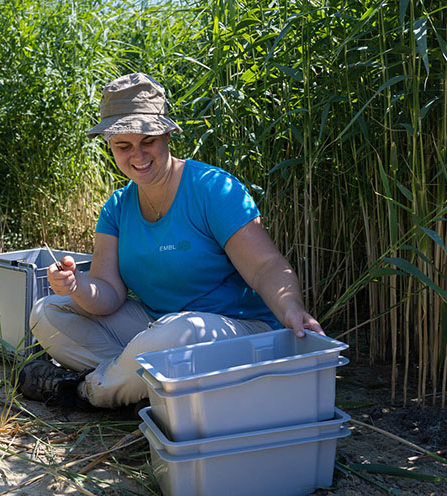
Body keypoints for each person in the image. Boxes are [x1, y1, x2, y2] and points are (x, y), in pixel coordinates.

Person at [18, 73, 323, 409]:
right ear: (110, 146)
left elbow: (266, 266)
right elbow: (108, 294)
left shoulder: (212, 188)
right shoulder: (117, 208)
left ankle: (87, 392)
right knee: (47, 311)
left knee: (177, 332)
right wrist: (74, 285)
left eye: (147, 140)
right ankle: (145, 390)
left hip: (233, 331)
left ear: (166, 134)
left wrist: (292, 308)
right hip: (155, 328)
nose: (137, 155)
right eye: (123, 145)